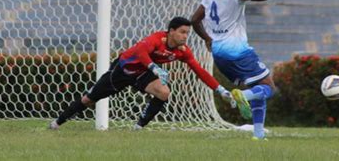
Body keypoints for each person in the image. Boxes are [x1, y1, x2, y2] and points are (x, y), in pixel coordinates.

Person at [49, 16, 234, 130]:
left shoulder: (182, 51)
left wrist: (220, 90)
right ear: (171, 31)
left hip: (143, 73)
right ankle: (57, 122)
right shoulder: (155, 39)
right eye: (182, 32)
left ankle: (138, 127)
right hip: (122, 70)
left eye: (188, 33)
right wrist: (154, 68)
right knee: (89, 100)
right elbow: (140, 53)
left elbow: (200, 71)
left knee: (164, 92)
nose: (185, 37)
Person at [191, 0, 299, 140]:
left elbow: (194, 20)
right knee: (268, 87)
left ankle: (258, 135)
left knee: (258, 89)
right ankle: (243, 96)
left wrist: (207, 39)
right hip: (237, 50)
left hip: (218, 53)